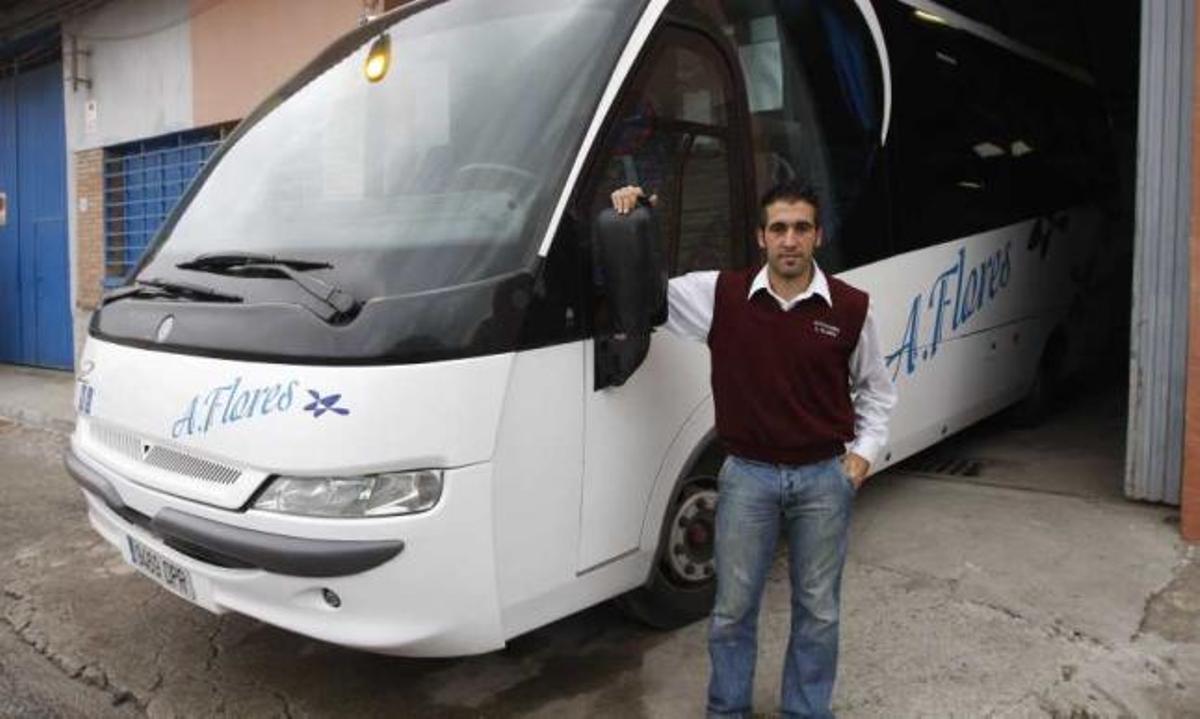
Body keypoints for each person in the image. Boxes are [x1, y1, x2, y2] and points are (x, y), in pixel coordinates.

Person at [611, 180, 897, 718]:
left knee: (819, 611)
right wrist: (634, 219)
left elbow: (877, 390)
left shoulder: (851, 307)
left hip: (822, 478)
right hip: (747, 478)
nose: (790, 240)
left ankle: (806, 711)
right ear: (761, 237)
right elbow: (643, 290)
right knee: (732, 611)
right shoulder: (720, 296)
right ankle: (727, 711)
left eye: (801, 228)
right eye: (779, 229)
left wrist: (862, 456)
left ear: (818, 235)